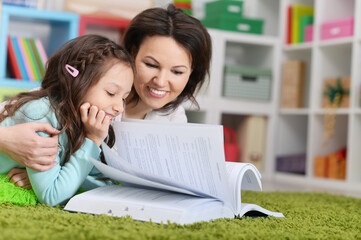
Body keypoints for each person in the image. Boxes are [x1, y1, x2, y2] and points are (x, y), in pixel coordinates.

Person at [8, 4, 212, 193]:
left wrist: (57, 172)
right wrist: (8, 141)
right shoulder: (86, 96)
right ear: (132, 54)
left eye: (177, 72)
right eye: (151, 65)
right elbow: (16, 114)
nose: (160, 81)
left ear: (192, 73)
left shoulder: (174, 120)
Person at [0, 34, 135, 206]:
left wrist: (63, 173)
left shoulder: (85, 119)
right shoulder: (42, 114)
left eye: (124, 97)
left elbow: (103, 183)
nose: (119, 107)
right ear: (77, 81)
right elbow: (52, 196)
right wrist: (92, 140)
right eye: (110, 93)